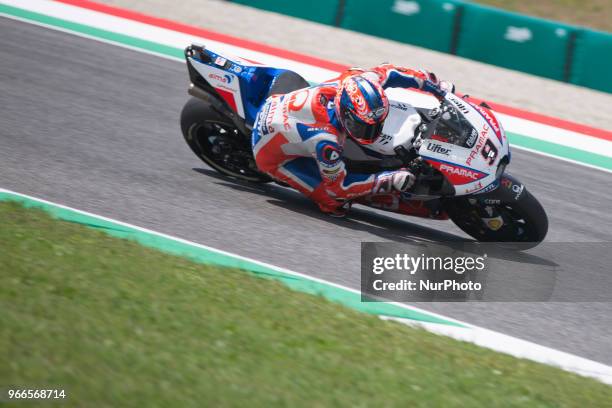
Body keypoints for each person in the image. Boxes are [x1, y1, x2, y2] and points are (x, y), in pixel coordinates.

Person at [251, 64, 454, 216]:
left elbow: (393, 72)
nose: (372, 132)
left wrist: (437, 88)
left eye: (375, 125)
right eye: (364, 127)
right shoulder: (326, 141)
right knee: (332, 202)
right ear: (344, 114)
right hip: (268, 150)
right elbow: (340, 188)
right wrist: (388, 180)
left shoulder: (355, 81)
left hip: (285, 97)